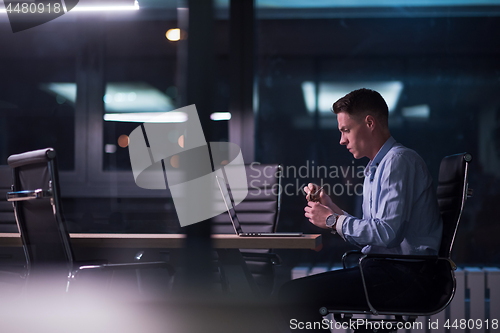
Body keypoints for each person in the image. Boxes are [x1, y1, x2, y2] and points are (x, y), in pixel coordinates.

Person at [277, 88, 445, 332]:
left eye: (346, 130)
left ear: (369, 123)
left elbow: (388, 234)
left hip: (405, 278)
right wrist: (331, 208)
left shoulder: (398, 161)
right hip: (389, 272)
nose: (341, 140)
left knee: (291, 296)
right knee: (294, 295)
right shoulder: (375, 170)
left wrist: (333, 220)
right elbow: (375, 232)